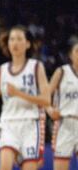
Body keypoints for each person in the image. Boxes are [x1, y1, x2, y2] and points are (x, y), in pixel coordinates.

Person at [0, 25, 50, 170]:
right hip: (8, 124)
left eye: (19, 39)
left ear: (28, 44)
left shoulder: (36, 67)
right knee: (4, 166)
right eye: (12, 39)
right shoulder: (1, 71)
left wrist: (19, 93)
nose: (15, 43)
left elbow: (46, 99)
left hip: (31, 124)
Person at [50, 42, 78, 170]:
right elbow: (45, 97)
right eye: (77, 51)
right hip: (64, 123)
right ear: (71, 55)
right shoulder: (61, 72)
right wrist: (50, 110)